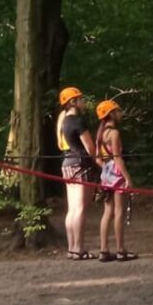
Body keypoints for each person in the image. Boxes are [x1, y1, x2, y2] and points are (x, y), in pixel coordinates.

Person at [56, 87, 97, 260]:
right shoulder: (78, 121)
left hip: (67, 164)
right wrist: (98, 162)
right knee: (80, 209)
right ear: (73, 102)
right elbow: (89, 147)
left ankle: (72, 248)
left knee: (72, 209)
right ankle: (79, 248)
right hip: (81, 164)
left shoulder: (64, 122)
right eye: (80, 99)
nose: (83, 101)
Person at [96, 100, 138, 262]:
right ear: (111, 114)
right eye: (118, 110)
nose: (121, 113)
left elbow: (98, 158)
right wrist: (127, 178)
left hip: (106, 175)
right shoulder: (114, 133)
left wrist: (107, 169)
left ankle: (104, 250)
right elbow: (118, 158)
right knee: (119, 212)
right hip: (117, 174)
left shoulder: (100, 133)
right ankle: (121, 250)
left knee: (107, 213)